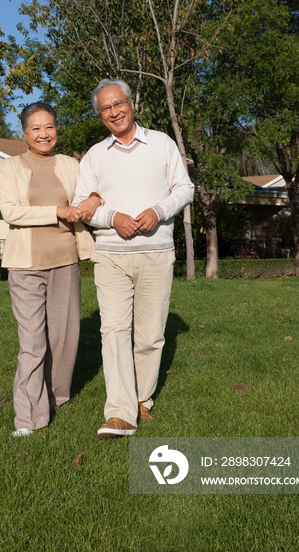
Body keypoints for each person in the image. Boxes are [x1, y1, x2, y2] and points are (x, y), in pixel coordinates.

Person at [73, 79, 195, 439]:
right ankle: (120, 413)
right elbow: (84, 206)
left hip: (157, 254)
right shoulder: (95, 155)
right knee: (112, 331)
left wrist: (159, 211)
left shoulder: (161, 143)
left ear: (131, 103)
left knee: (151, 336)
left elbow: (185, 188)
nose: (114, 112)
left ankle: (142, 399)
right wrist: (113, 219)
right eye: (106, 109)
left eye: (119, 104)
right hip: (111, 256)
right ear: (100, 116)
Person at [0, 102, 99, 437]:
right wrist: (57, 210)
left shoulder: (71, 165)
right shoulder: (9, 168)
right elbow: (12, 212)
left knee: (64, 338)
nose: (44, 134)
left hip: (65, 262)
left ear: (57, 130)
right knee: (32, 342)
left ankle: (56, 398)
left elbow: (90, 194)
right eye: (36, 128)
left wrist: (93, 200)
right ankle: (27, 418)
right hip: (26, 265)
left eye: (50, 127)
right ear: (24, 133)